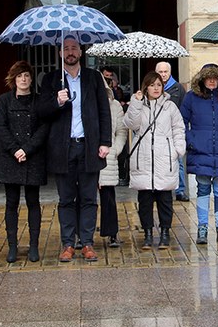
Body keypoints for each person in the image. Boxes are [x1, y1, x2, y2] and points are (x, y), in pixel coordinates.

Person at [37, 37, 112, 263]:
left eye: (74, 48)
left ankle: (87, 243)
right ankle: (68, 244)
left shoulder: (93, 77)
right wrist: (57, 102)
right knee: (66, 199)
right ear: (60, 53)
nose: (70, 52)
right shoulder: (51, 79)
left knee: (89, 198)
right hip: (63, 148)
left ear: (80, 52)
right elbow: (41, 111)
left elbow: (104, 111)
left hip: (88, 146)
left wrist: (105, 141)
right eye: (66, 48)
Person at [124, 71, 187, 250]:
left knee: (164, 200)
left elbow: (178, 128)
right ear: (146, 87)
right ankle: (148, 234)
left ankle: (165, 233)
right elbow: (130, 124)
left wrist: (177, 150)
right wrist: (136, 103)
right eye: (152, 85)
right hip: (143, 158)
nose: (156, 88)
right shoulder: (139, 104)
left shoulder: (170, 106)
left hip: (164, 158)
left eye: (159, 85)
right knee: (145, 201)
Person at [180, 63, 218, 245]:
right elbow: (181, 122)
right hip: (201, 151)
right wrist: (191, 141)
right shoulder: (191, 98)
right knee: (203, 189)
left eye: (215, 77)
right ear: (202, 79)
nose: (212, 81)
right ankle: (202, 227)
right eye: (209, 77)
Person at [0, 60, 48, 263]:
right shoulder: (4, 100)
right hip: (11, 158)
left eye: (26, 75)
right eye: (19, 76)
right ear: (13, 79)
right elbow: (1, 127)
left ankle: (33, 246)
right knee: (11, 203)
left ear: (31, 79)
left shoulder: (39, 100)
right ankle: (12, 247)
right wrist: (15, 149)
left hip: (33, 157)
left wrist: (27, 149)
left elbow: (43, 128)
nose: (23, 79)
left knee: (33, 202)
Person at [98, 77, 129, 248]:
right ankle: (82, 235)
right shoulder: (84, 104)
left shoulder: (114, 106)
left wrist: (116, 149)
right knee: (84, 198)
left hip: (108, 156)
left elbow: (121, 131)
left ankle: (112, 232)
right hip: (86, 156)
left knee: (108, 197)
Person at [156, 61, 189, 202]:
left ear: (170, 72)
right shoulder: (153, 87)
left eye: (166, 72)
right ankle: (159, 188)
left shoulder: (178, 88)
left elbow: (184, 110)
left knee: (178, 161)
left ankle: (180, 190)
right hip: (157, 131)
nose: (163, 74)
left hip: (173, 131)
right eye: (160, 72)